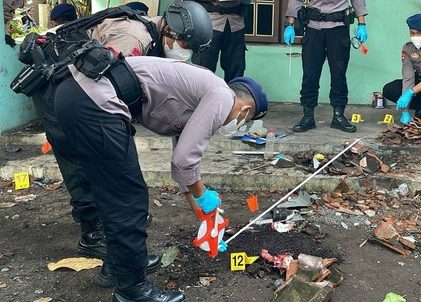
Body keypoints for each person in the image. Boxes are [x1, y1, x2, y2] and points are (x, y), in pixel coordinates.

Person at [22, 1, 213, 290]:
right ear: (170, 30)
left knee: (114, 179)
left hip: (73, 87)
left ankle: (121, 257)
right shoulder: (133, 38)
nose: (185, 50)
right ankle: (95, 236)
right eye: (185, 42)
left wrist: (198, 201)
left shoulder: (151, 34)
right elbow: (104, 85)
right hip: (59, 89)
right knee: (91, 169)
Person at [51, 47, 268, 301]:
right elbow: (184, 160)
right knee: (128, 198)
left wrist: (204, 215)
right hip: (94, 102)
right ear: (245, 108)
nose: (241, 125)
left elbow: (184, 167)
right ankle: (132, 290)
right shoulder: (223, 96)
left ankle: (115, 266)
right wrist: (204, 196)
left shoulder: (201, 93)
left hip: (74, 96)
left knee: (111, 191)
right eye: (248, 119)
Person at [283, 0, 368, 133]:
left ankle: (338, 115)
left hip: (338, 27)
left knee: (339, 73)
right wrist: (290, 24)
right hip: (313, 27)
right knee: (310, 73)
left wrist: (362, 24)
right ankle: (308, 115)